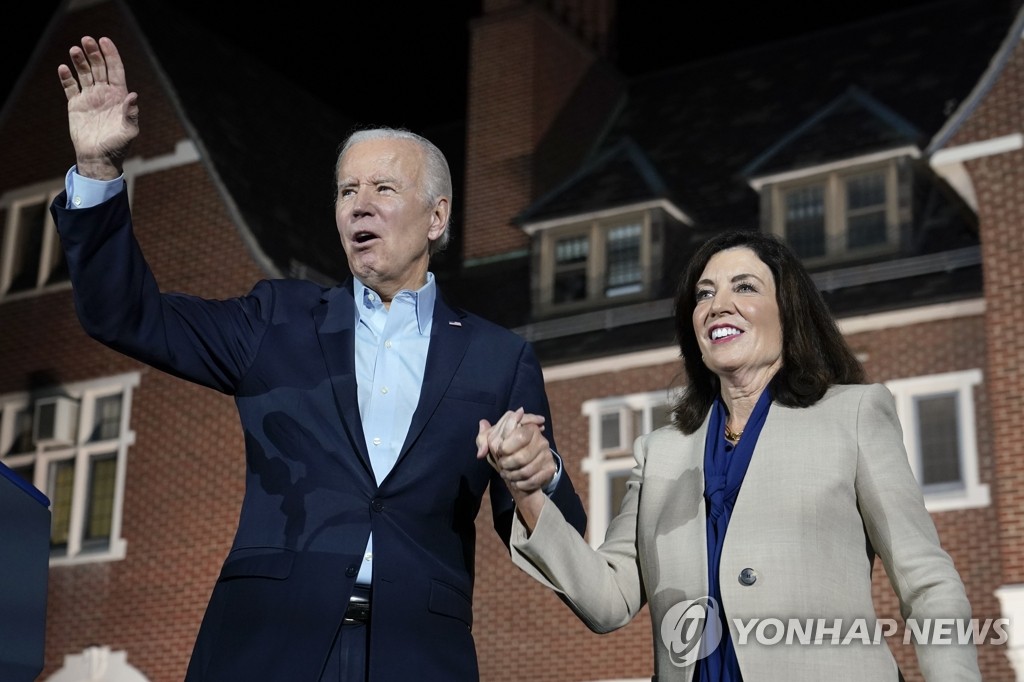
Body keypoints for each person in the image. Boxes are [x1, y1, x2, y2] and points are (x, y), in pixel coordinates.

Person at [52, 36, 586, 681]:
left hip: (416, 657)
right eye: (346, 190)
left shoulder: (498, 358)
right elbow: (123, 315)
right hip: (267, 645)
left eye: (383, 187)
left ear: (437, 216)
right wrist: (98, 170)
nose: (359, 203)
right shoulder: (277, 320)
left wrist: (542, 477)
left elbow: (567, 555)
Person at [478, 229, 980, 681]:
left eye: (744, 287)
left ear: (789, 310)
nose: (718, 305)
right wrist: (526, 492)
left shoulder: (853, 415)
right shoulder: (662, 451)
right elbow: (607, 600)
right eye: (704, 294)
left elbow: (927, 584)